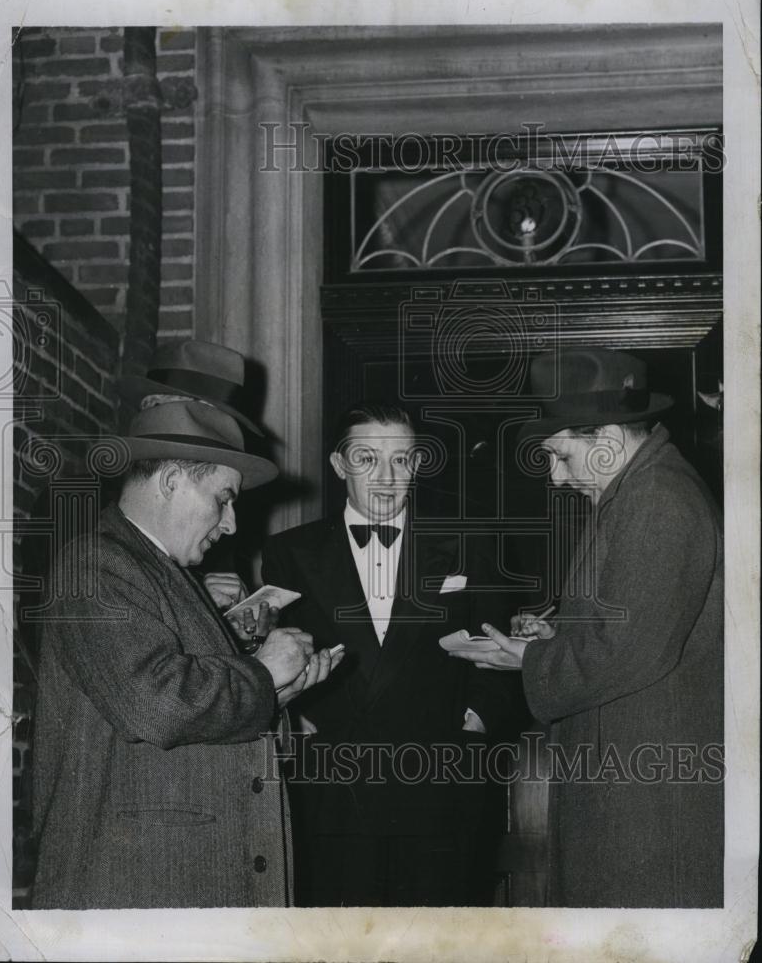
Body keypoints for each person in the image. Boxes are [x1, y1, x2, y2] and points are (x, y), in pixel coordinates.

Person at [31, 399, 343, 909]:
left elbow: (191, 711)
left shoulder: (165, 573)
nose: (232, 523)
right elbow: (157, 704)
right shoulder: (95, 565)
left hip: (181, 878)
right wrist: (263, 674)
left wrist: (280, 695)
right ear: (172, 481)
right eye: (223, 499)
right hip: (136, 886)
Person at [450, 347, 724, 908]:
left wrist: (526, 660)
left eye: (561, 456)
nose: (554, 478)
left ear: (606, 438)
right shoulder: (636, 490)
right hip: (630, 774)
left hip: (646, 798)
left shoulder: (658, 500)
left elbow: (627, 648)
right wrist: (554, 632)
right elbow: (626, 619)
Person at [262, 403, 521, 907]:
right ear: (339, 466)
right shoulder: (289, 552)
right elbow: (276, 660)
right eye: (367, 459)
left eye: (401, 460)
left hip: (442, 783)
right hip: (334, 787)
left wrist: (475, 723)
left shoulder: (470, 544)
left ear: (417, 465)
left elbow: (500, 656)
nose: (386, 477)